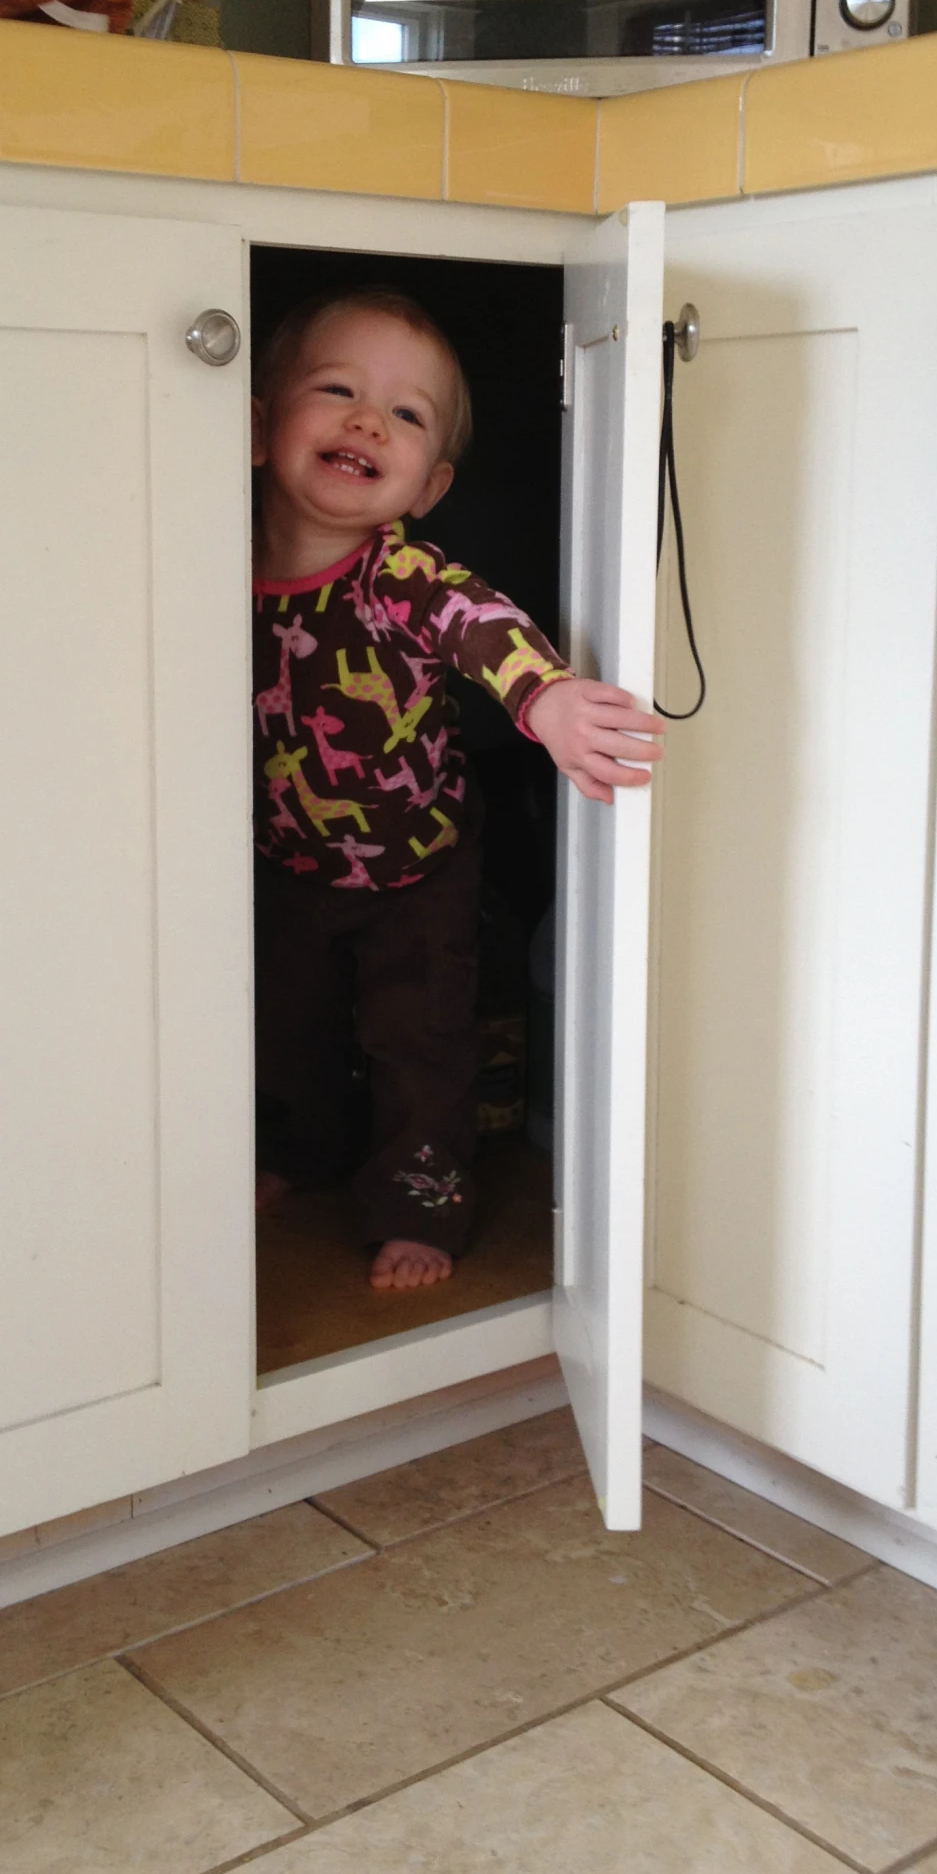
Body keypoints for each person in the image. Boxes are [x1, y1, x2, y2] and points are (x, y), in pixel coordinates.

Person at [251, 286, 665, 1293]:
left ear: (428, 485)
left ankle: (417, 1201)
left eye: (405, 413)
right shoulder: (210, 549)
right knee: (283, 1021)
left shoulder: (403, 576)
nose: (365, 420)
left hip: (418, 861)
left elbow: (481, 624)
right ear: (260, 424)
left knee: (418, 1041)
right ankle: (301, 1154)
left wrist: (551, 700)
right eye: (338, 389)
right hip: (283, 855)